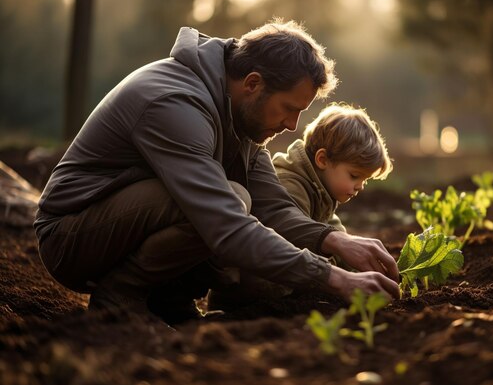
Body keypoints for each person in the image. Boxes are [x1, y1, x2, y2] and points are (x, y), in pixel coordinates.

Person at [34, 19, 400, 324]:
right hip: (71, 237)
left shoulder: (239, 117)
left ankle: (169, 305)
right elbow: (224, 226)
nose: (292, 125)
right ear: (253, 83)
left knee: (241, 197)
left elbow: (274, 206)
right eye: (288, 108)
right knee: (232, 200)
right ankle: (118, 299)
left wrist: (334, 240)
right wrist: (332, 277)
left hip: (121, 222)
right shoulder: (176, 105)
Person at [272, 103, 392, 235]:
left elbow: (332, 229)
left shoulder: (322, 190)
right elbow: (296, 236)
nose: (360, 187)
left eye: (365, 180)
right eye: (354, 176)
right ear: (322, 160)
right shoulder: (291, 187)